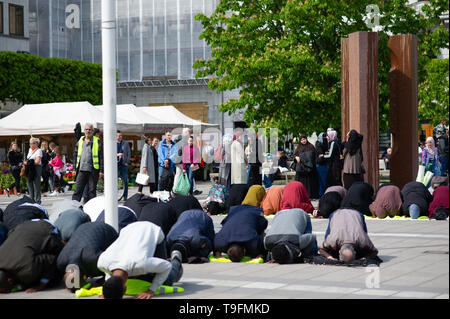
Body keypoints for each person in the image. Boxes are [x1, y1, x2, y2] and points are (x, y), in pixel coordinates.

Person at [97, 221, 183, 299]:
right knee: (143, 274)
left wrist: (151, 291)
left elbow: (166, 267)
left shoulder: (141, 263)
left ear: (125, 289)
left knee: (166, 281)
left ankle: (176, 259)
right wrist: (107, 293)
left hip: (152, 230)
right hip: (128, 229)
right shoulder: (102, 262)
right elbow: (108, 274)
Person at [0, 220, 65, 293]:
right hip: (25, 224)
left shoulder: (28, 269)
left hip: (47, 228)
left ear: (10, 281)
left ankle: (63, 241)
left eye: (7, 290)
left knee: (54, 278)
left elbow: (51, 260)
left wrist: (41, 285)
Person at [57, 221, 118, 290]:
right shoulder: (61, 261)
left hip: (108, 231)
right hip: (83, 227)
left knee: (107, 261)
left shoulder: (93, 258)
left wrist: (106, 278)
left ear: (83, 277)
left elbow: (110, 261)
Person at [72, 123, 104, 203]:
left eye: (90, 129)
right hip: (81, 169)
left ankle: (91, 208)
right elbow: (75, 155)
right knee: (77, 190)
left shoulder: (97, 142)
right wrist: (74, 168)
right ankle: (74, 207)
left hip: (93, 170)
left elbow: (101, 157)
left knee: (92, 191)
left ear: (93, 131)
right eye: (86, 129)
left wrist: (101, 170)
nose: (88, 131)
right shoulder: (80, 141)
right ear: (84, 131)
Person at [293, 134, 318, 199]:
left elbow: (314, 156)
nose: (303, 141)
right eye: (301, 140)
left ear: (306, 139)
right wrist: (296, 157)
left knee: (310, 183)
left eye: (304, 139)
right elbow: (294, 155)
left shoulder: (311, 146)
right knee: (302, 183)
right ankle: (301, 196)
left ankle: (311, 196)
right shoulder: (299, 147)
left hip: (310, 168)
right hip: (301, 169)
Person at [26, 137, 43, 204]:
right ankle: (31, 200)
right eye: (30, 144)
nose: (31, 145)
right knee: (30, 184)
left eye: (33, 143)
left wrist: (29, 162)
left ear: (37, 144)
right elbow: (28, 159)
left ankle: (37, 200)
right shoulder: (30, 150)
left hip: (36, 168)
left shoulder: (39, 151)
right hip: (30, 168)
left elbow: (37, 161)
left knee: (36, 185)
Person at [117, 131, 131, 201]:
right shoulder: (113, 143)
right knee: (114, 180)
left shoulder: (125, 143)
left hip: (123, 164)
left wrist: (127, 162)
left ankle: (125, 196)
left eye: (121, 135)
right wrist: (117, 155)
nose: (120, 137)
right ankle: (115, 195)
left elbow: (128, 153)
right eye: (118, 135)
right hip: (115, 164)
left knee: (125, 180)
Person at [315, 133, 329, 197]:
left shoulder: (325, 143)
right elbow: (320, 155)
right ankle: (321, 194)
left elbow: (323, 154)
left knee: (324, 180)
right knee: (322, 180)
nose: (326, 138)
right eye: (324, 137)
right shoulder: (318, 144)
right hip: (320, 164)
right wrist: (324, 154)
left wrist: (324, 154)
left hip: (324, 164)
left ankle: (323, 193)